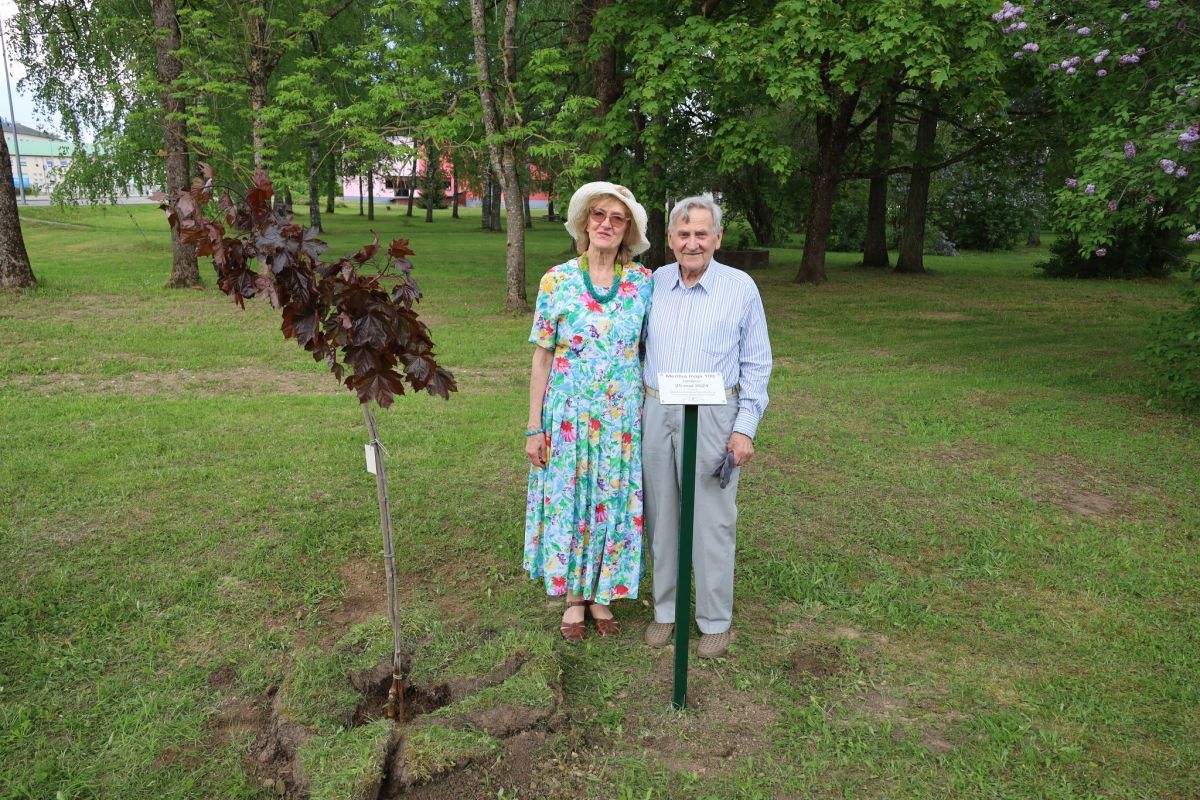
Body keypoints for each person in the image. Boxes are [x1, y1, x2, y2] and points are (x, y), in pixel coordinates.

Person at [641, 195, 772, 658]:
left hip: (716, 413)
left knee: (713, 518)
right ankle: (666, 611)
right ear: (671, 240)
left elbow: (757, 364)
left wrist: (745, 429)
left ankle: (715, 619)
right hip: (657, 410)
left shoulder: (740, 288)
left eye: (701, 233)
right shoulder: (651, 284)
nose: (692, 242)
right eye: (683, 233)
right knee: (661, 516)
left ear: (717, 238)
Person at [523, 182, 654, 641]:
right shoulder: (555, 280)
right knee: (572, 504)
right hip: (568, 418)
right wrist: (533, 426)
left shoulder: (642, 283)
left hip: (620, 421)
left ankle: (603, 595)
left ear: (628, 230)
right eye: (598, 215)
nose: (606, 224)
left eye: (617, 218)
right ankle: (574, 599)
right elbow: (541, 357)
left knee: (612, 505)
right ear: (584, 223)